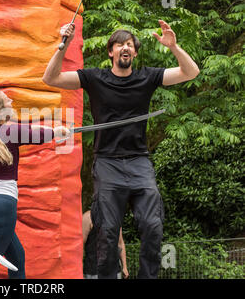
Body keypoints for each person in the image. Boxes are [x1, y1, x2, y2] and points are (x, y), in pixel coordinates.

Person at [43, 20, 199, 278]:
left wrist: (174, 47)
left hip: (139, 162)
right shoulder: (94, 78)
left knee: (152, 226)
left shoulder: (147, 77)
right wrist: (64, 44)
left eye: (129, 44)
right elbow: (51, 78)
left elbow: (191, 72)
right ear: (111, 52)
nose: (125, 47)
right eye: (119, 44)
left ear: (135, 53)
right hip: (107, 163)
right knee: (106, 232)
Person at [0, 87, 70, 279]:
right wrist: (57, 131)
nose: (11, 103)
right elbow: (34, 133)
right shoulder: (8, 130)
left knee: (16, 259)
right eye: (7, 100)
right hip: (1, 207)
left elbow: (29, 131)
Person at [82, 210, 129, 279]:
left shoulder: (115, 216)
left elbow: (120, 243)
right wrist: (78, 270)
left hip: (115, 271)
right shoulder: (88, 217)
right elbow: (80, 245)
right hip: (94, 272)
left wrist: (124, 267)